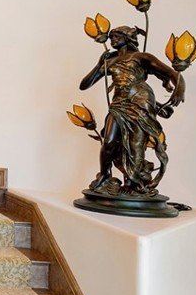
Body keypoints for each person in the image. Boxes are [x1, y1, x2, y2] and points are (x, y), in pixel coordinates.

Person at [79, 26, 185, 194]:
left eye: (117, 36)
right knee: (109, 142)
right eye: (111, 37)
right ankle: (105, 175)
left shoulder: (141, 57)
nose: (112, 39)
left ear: (127, 37)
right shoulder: (110, 61)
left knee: (135, 144)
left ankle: (132, 183)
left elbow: (174, 74)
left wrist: (180, 90)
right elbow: (84, 85)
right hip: (119, 103)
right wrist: (99, 65)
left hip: (140, 101)